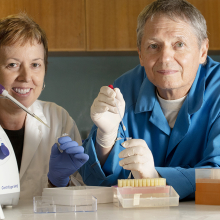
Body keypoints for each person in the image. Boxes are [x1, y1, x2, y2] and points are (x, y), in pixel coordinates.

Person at [79, 0, 220, 200]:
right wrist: (105, 138)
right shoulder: (124, 89)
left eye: (179, 44)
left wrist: (156, 178)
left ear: (203, 51)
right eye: (154, 46)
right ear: (140, 54)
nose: (165, 58)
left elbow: (218, 175)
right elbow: (95, 183)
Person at [0, 13, 88, 199]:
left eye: (35, 65)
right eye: (13, 64)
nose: (25, 77)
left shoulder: (58, 119)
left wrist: (58, 182)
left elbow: (81, 201)